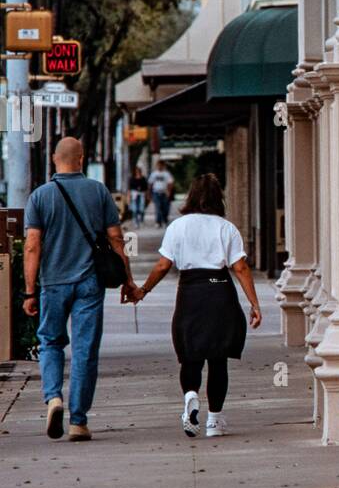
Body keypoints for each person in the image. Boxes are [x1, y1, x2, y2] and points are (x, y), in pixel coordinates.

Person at [128, 173, 261, 437]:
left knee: (190, 356)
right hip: (220, 293)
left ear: (191, 197)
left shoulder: (178, 227)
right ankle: (214, 420)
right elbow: (241, 268)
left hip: (190, 293)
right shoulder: (226, 228)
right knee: (218, 359)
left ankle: (190, 395)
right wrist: (254, 304)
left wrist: (143, 290)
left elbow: (163, 265)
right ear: (218, 199)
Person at [22, 137, 135, 442]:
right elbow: (116, 239)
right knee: (85, 350)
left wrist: (30, 291)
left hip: (53, 283)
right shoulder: (98, 191)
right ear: (81, 159)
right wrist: (128, 279)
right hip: (89, 282)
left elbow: (32, 246)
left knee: (50, 342)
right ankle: (78, 422)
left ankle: (53, 398)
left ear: (54, 160)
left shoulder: (40, 196)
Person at [147, 161, 174, 227]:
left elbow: (170, 183)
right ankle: (158, 222)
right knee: (158, 207)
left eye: (161, 165)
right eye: (158, 165)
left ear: (163, 166)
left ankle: (165, 220)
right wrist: (149, 193)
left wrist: (169, 192)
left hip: (164, 192)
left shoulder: (166, 174)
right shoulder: (154, 174)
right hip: (156, 192)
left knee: (165, 208)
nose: (159, 166)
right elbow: (150, 184)